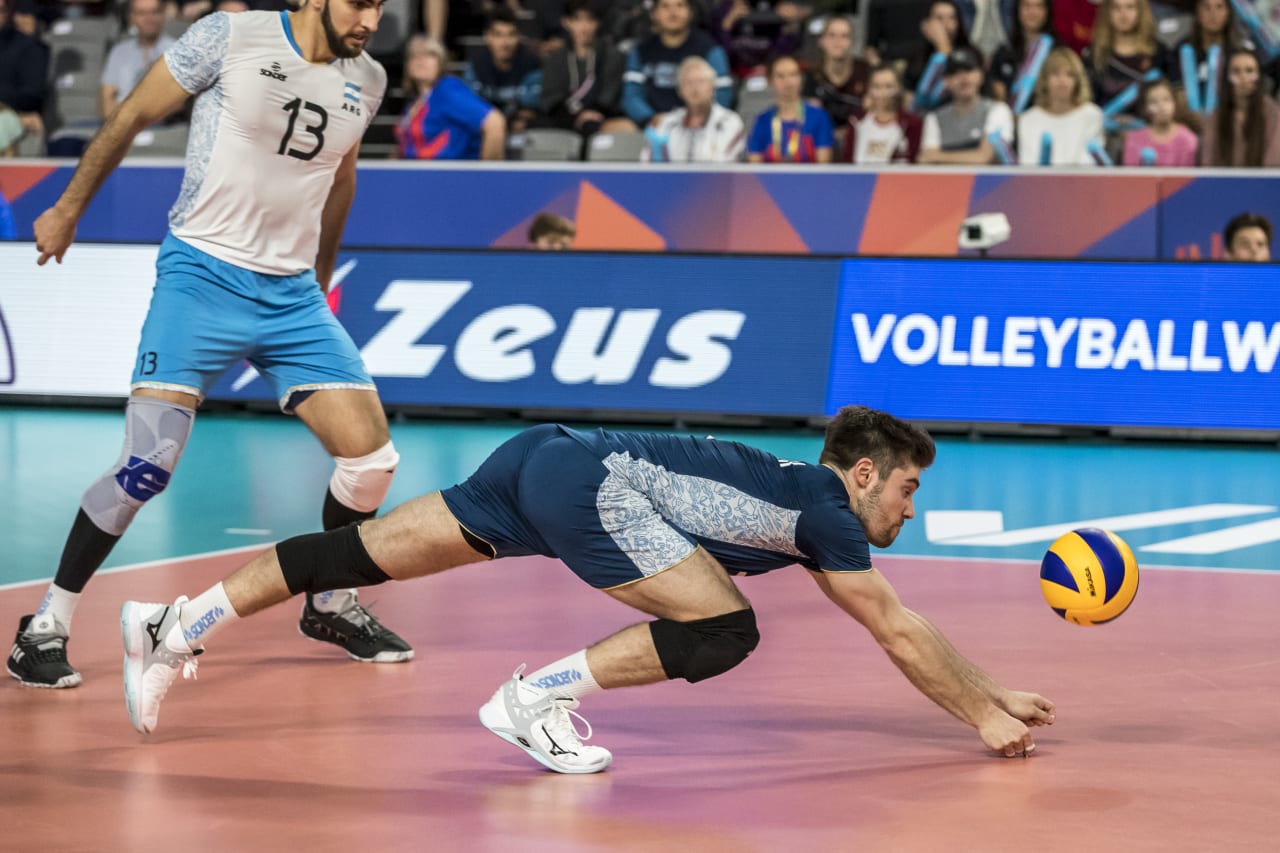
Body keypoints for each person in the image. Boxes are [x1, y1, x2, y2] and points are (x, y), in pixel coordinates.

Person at [119, 406, 1056, 773]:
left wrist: (991, 691)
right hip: (594, 487)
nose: (913, 506)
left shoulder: (805, 501)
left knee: (350, 558)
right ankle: (533, 699)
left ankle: (174, 621)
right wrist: (978, 719)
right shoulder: (828, 516)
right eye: (908, 486)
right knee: (726, 627)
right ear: (860, 477)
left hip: (543, 455)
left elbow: (910, 622)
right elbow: (894, 629)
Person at [8, 0, 415, 691]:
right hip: (201, 277)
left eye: (380, 4)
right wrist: (69, 206)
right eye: (359, 2)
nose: (371, 20)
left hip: (291, 296)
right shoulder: (232, 36)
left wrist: (319, 278)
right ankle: (45, 623)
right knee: (145, 465)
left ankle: (330, 601)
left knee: (372, 460)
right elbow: (134, 111)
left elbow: (340, 175)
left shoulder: (368, 79)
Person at [622, 0, 733, 128]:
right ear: (653, 13)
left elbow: (723, 94)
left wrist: (695, 118)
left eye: (680, 5)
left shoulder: (711, 50)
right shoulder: (640, 52)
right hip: (653, 126)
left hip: (700, 126)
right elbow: (632, 96)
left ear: (690, 12)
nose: (673, 12)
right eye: (665, 6)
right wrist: (650, 118)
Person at [396, 34, 507, 160]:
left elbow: (494, 123)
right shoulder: (416, 102)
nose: (420, 60)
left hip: (449, 176)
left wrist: (488, 176)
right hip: (414, 176)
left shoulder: (447, 89)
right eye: (414, 55)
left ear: (441, 62)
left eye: (429, 54)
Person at [538, 0, 633, 141]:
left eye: (590, 20)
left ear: (598, 23)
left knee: (592, 127)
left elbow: (610, 95)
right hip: (565, 117)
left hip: (601, 117)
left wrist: (592, 113)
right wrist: (577, 116)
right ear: (566, 22)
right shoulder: (557, 58)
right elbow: (551, 98)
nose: (583, 27)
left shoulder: (612, 55)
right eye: (577, 20)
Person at [1080, 0, 1172, 128]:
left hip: (1150, 133)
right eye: (1116, 8)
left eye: (1130, 7)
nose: (1123, 14)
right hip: (1104, 131)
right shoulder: (1094, 55)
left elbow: (1170, 102)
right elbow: (1086, 101)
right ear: (1107, 13)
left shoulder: (1159, 52)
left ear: (1141, 11)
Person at [919, 46, 1015, 164]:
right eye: (955, 73)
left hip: (989, 182)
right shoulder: (934, 118)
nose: (963, 78)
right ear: (946, 81)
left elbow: (984, 158)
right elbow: (926, 160)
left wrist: (938, 156)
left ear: (981, 76)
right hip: (946, 182)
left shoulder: (998, 110)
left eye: (969, 70)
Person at [642, 55, 746, 162]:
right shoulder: (668, 123)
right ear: (680, 90)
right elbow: (649, 162)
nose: (695, 88)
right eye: (688, 82)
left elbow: (725, 163)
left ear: (712, 87)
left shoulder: (729, 121)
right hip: (673, 178)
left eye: (701, 81)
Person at [1015, 45, 1103, 165]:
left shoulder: (1092, 115)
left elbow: (1088, 165)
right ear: (1045, 80)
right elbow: (1028, 166)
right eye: (1056, 74)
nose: (1062, 80)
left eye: (1069, 75)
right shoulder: (1028, 119)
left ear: (1078, 81)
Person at [464, 7, 542, 135]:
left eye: (511, 35)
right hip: (485, 128)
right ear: (487, 36)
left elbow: (529, 110)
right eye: (498, 35)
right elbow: (471, 107)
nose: (505, 43)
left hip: (521, 130)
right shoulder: (475, 65)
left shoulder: (531, 63)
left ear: (518, 37)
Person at [1199, 47, 1280, 168]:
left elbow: (1273, 162)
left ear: (1259, 76)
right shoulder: (1215, 116)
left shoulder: (1273, 113)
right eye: (1236, 72)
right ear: (1227, 78)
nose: (1243, 77)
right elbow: (1207, 161)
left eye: (1249, 71)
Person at [746, 53, 834, 163]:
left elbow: (823, 169)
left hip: (809, 180)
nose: (788, 82)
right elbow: (754, 169)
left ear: (801, 78)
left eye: (793, 74)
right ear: (770, 81)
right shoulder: (762, 121)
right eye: (780, 76)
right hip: (769, 180)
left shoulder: (819, 117)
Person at [802, 14, 873, 149]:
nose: (838, 42)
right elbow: (811, 121)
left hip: (860, 140)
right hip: (822, 143)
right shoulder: (812, 76)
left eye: (844, 36)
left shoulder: (865, 71)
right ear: (821, 41)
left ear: (851, 41)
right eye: (832, 35)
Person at [101, 0, 177, 119]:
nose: (148, 18)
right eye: (142, 13)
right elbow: (107, 97)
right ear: (132, 18)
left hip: (161, 124)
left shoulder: (176, 50)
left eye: (154, 12)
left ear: (163, 15)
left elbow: (179, 102)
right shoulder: (119, 52)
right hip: (122, 123)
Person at [843, 64, 923, 164]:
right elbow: (847, 163)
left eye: (888, 86)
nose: (882, 92)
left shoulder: (912, 123)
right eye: (877, 86)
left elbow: (914, 161)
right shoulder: (856, 122)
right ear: (869, 89)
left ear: (898, 88)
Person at [989, 0, 1055, 104]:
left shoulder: (1057, 50)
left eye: (1039, 6)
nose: (1032, 12)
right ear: (1017, 11)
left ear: (1047, 11)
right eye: (1026, 6)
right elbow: (995, 90)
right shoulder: (1004, 51)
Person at [1121, 77, 1197, 165]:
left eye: (1166, 99)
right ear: (1145, 108)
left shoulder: (1188, 139)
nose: (1162, 107)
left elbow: (1188, 176)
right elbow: (1130, 175)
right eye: (1153, 102)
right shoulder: (1134, 139)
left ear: (1174, 102)